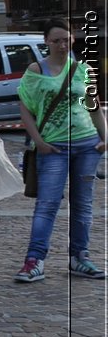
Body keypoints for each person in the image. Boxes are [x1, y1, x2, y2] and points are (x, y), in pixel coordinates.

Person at [14, 19, 107, 282]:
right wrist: (38, 142)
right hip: (53, 147)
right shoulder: (36, 70)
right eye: (56, 40)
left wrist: (104, 138)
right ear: (46, 42)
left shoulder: (82, 70)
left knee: (83, 205)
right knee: (47, 205)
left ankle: (80, 258)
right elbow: (25, 109)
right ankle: (34, 260)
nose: (62, 45)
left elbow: (93, 106)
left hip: (87, 145)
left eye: (67, 40)